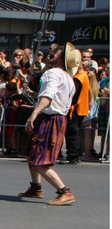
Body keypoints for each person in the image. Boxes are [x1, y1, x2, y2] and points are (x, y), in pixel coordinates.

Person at [21, 44, 77, 205]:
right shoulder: (67, 77)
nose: (52, 52)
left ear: (63, 57)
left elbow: (48, 96)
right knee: (31, 153)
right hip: (56, 117)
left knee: (40, 160)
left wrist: (34, 113)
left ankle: (64, 191)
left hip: (50, 118)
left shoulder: (53, 73)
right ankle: (36, 187)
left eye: (58, 52)